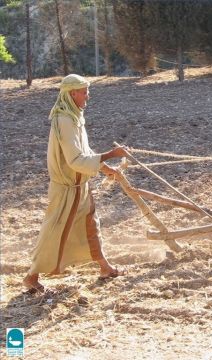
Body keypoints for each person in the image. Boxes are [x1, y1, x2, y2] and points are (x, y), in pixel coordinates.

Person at [23, 74, 128, 293]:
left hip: (81, 186)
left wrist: (107, 169)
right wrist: (110, 155)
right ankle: (31, 276)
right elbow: (75, 160)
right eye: (84, 92)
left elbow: (85, 152)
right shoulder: (64, 120)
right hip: (66, 190)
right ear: (72, 94)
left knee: (90, 225)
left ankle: (104, 267)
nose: (88, 96)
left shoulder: (75, 117)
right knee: (55, 232)